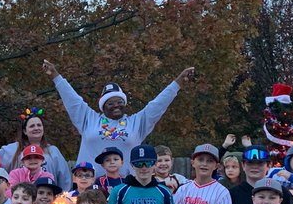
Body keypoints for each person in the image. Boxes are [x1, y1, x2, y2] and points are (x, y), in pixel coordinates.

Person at [44, 58, 195, 164]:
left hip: (126, 188)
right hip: (91, 189)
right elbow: (72, 100)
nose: (116, 105)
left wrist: (178, 83)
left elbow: (158, 105)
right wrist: (56, 76)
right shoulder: (89, 119)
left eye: (120, 102)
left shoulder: (136, 123)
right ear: (103, 107)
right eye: (110, 103)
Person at [0, 108, 72, 191]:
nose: (36, 128)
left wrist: (63, 199)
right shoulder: (12, 150)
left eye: (39, 125)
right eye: (32, 126)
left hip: (46, 199)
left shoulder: (53, 151)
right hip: (20, 200)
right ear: (25, 131)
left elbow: (65, 180)